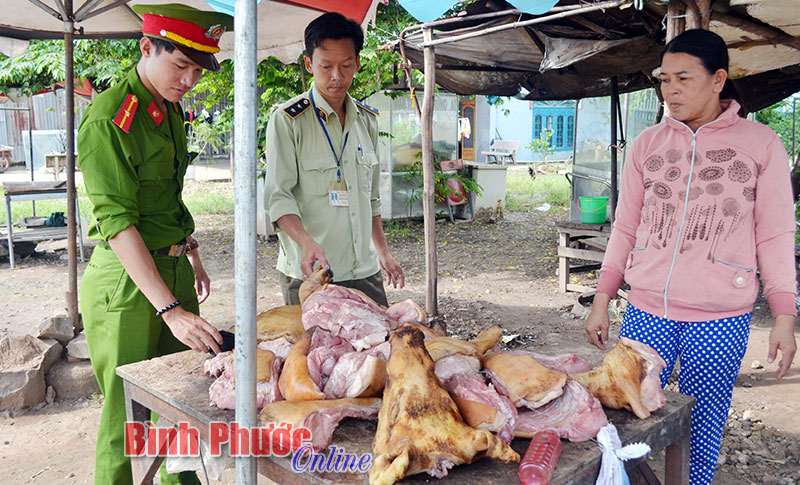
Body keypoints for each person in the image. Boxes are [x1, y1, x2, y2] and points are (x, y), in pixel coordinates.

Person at [584, 29, 797, 485]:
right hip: (645, 311)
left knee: (701, 426)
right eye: (665, 79)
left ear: (718, 80)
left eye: (684, 78)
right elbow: (625, 226)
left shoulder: (761, 145)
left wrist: (784, 314)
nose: (671, 90)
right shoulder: (647, 145)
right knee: (627, 418)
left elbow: (775, 235)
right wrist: (602, 297)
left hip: (720, 318)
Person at [77, 4, 232, 484]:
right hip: (127, 285)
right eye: (180, 65)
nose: (189, 80)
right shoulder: (110, 119)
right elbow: (118, 225)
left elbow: (168, 198)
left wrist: (192, 255)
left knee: (185, 404)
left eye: (197, 70)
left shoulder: (167, 108)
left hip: (174, 270)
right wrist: (170, 310)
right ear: (146, 47)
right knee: (127, 419)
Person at [264, 12, 404, 306]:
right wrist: (305, 242)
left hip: (364, 271)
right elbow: (278, 198)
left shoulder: (367, 120)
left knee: (381, 335)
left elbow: (372, 198)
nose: (337, 76)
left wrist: (383, 252)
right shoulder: (288, 120)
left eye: (346, 65)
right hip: (312, 271)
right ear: (309, 64)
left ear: (358, 63)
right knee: (311, 339)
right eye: (326, 66)